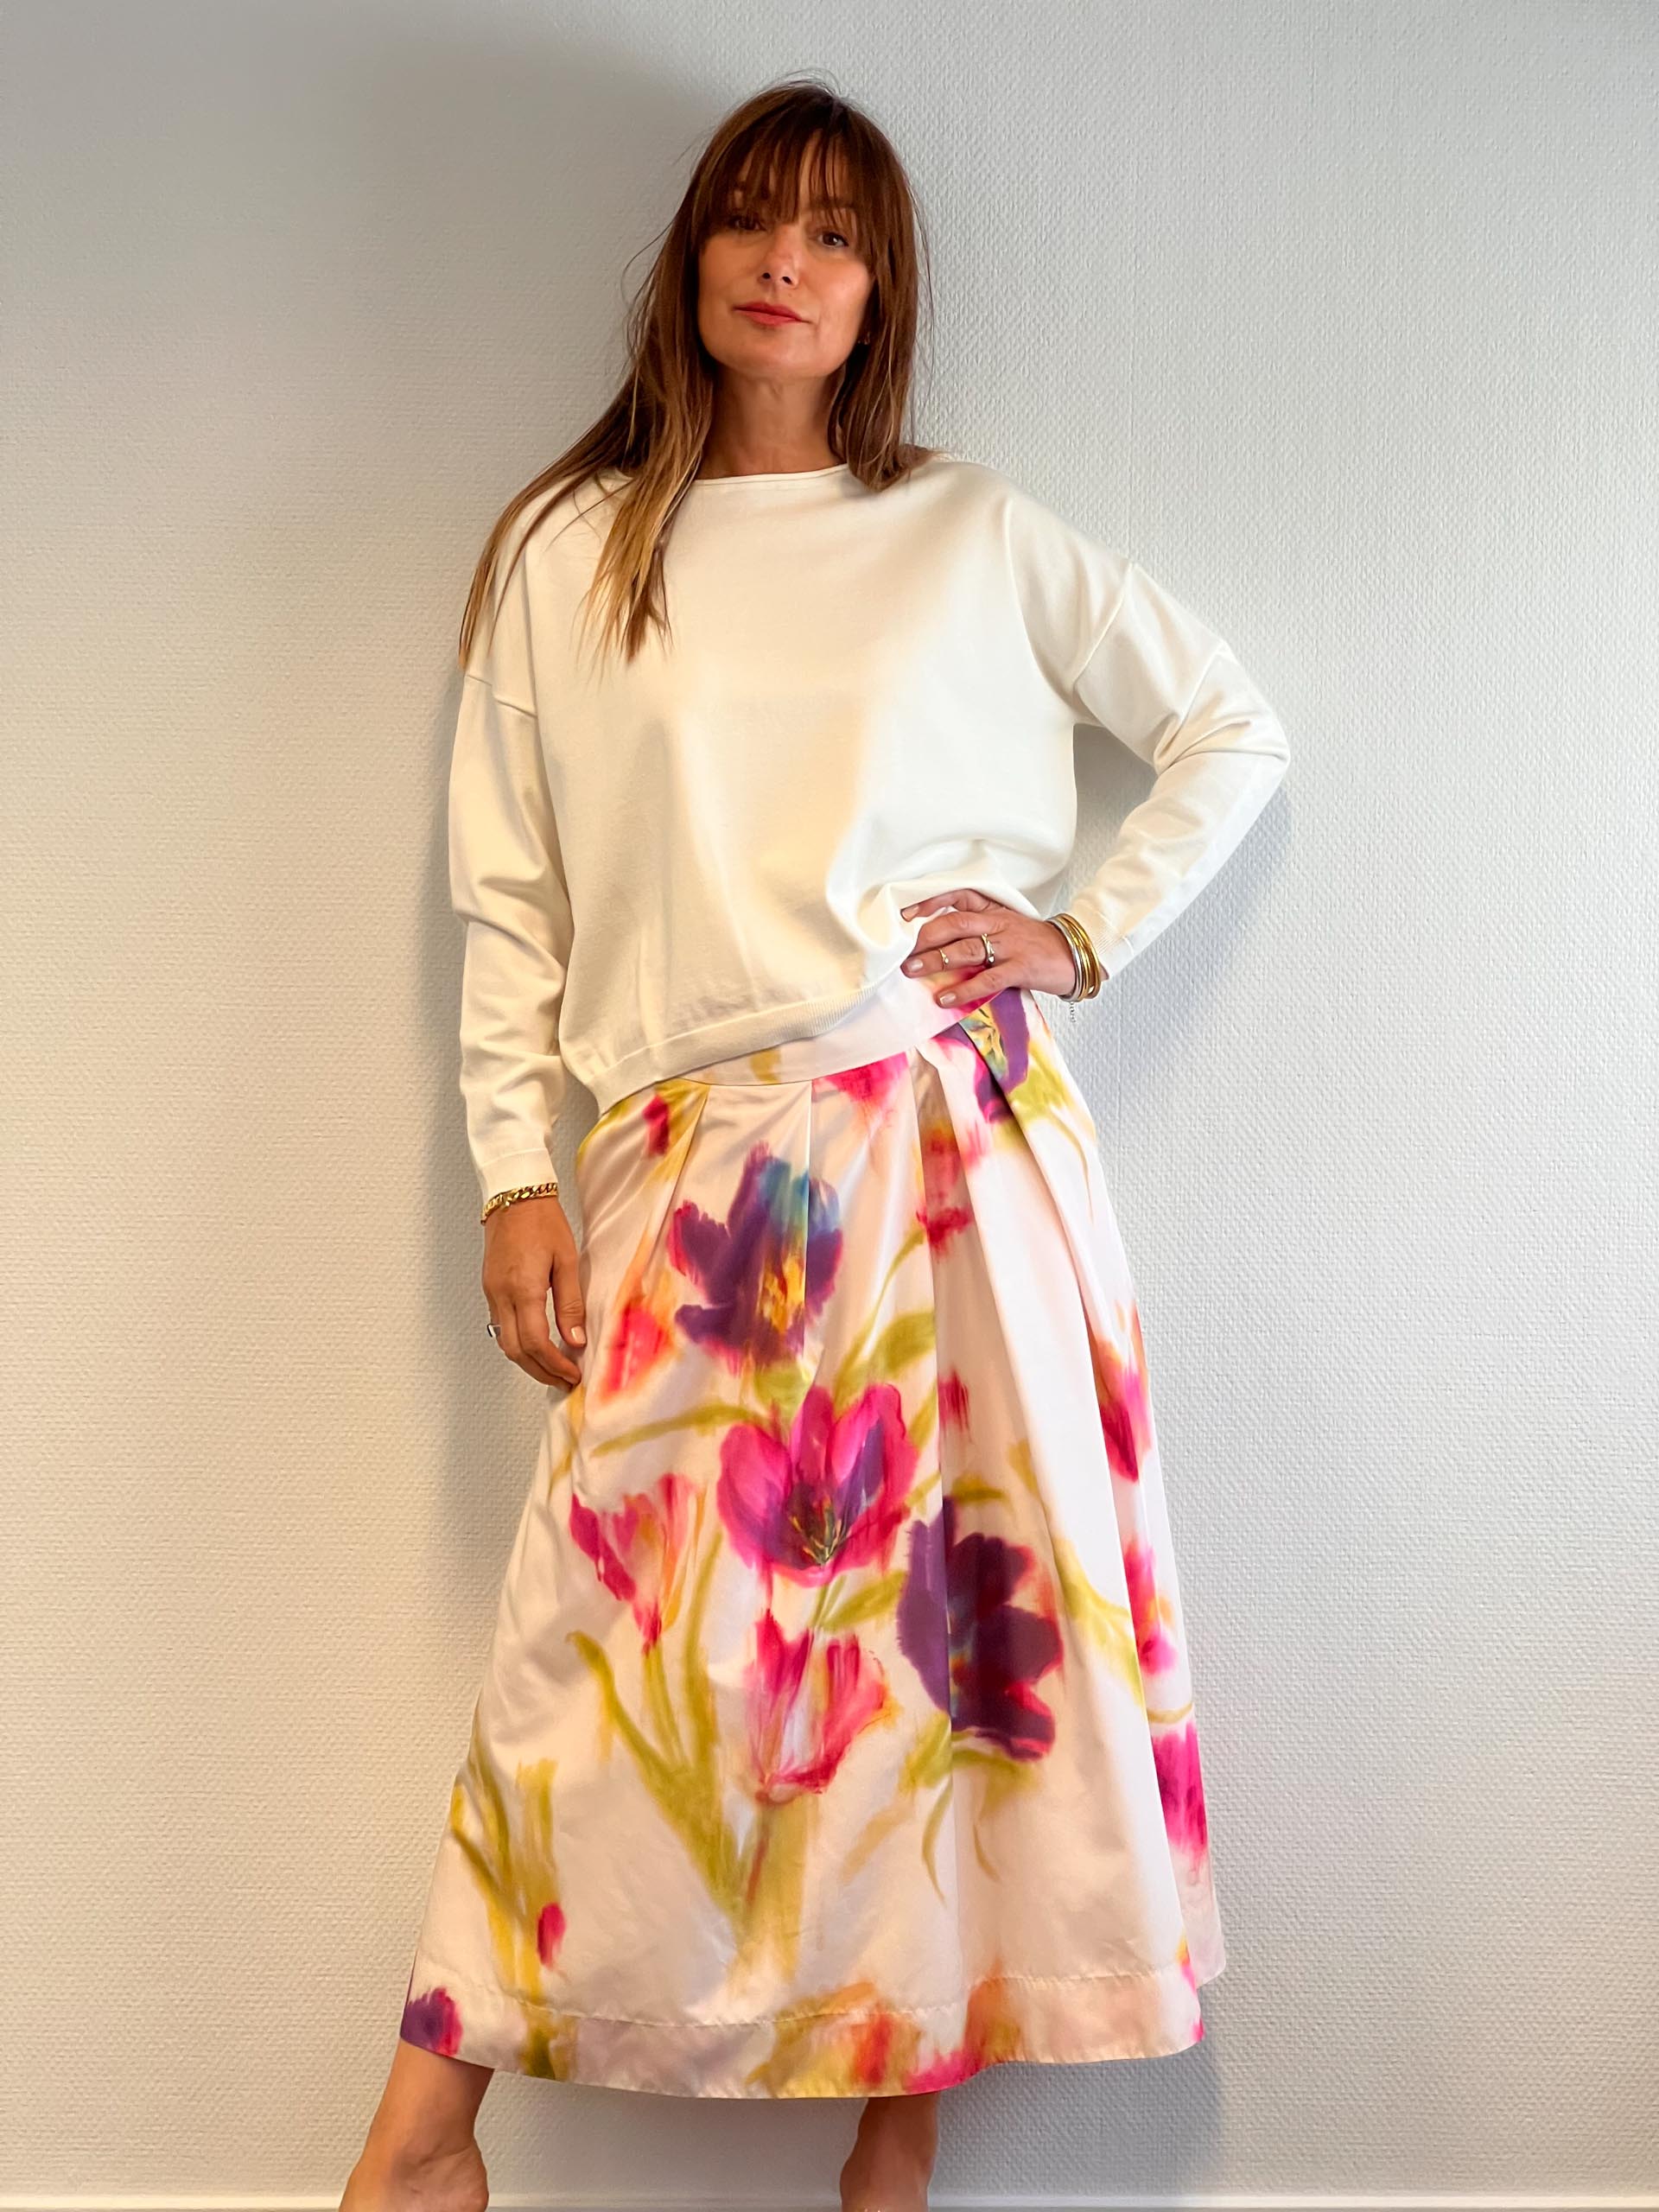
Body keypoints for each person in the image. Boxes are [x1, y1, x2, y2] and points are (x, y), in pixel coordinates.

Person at [340, 75, 1288, 2212]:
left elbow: (1227, 727)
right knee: (597, 1648)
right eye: (754, 218)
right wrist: (513, 1167)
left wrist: (1079, 933)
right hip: (695, 1170)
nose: (790, 260)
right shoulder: (576, 548)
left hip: (952, 1142)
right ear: (692, 257)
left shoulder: (971, 534)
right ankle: (422, 2134)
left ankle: (894, 2153)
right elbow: (512, 895)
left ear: (881, 294)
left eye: (838, 234)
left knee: (952, 1658)